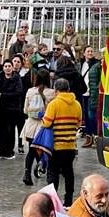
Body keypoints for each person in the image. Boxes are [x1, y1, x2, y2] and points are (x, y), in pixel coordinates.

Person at [42, 78, 83, 207]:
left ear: (56, 90)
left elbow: (46, 123)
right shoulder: (77, 104)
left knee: (53, 173)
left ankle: (53, 201)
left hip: (55, 146)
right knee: (68, 173)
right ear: (68, 89)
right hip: (70, 146)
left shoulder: (54, 104)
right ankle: (68, 200)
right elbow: (79, 123)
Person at [21, 70, 55, 186]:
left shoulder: (30, 91)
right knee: (44, 150)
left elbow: (25, 110)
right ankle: (43, 166)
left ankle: (27, 173)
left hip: (30, 125)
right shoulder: (52, 93)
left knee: (31, 151)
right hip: (43, 126)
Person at [0, 59, 23, 160]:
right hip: (1, 107)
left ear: (12, 67)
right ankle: (2, 150)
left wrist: (3, 95)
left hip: (13, 108)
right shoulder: (0, 77)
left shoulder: (16, 78)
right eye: (5, 66)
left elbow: (19, 92)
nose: (7, 68)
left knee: (10, 130)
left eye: (9, 66)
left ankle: (9, 151)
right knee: (0, 129)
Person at [78, 47, 100, 147]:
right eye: (88, 51)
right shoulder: (81, 64)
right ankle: (88, 137)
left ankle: (95, 137)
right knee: (86, 116)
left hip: (92, 93)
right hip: (83, 93)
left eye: (92, 51)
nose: (90, 53)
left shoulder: (96, 64)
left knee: (92, 116)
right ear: (84, 54)